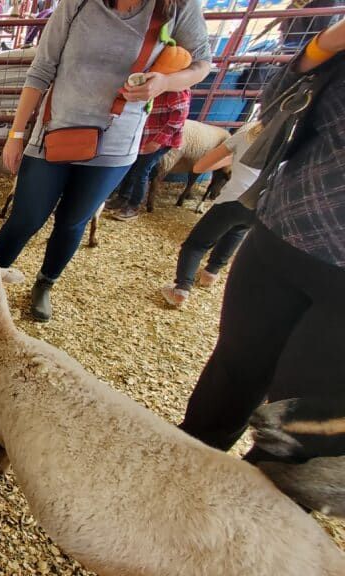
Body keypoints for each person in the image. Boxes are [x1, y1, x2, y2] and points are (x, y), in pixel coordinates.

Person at [179, 20, 345, 451]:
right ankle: (186, 470)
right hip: (282, 230)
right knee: (232, 370)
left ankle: (266, 504)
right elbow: (273, 112)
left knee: (306, 416)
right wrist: (323, 45)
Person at [0, 0, 211, 322]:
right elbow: (42, 68)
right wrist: (16, 134)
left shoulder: (177, 6)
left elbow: (202, 64)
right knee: (26, 216)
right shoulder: (77, 4)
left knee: (73, 221)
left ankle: (45, 283)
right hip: (55, 132)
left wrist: (164, 83)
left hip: (115, 144)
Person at [157, 121, 263, 308]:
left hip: (232, 199)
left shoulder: (249, 132)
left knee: (196, 244)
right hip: (261, 205)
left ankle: (181, 289)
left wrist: (234, 157)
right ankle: (210, 275)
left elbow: (200, 167)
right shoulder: (295, 141)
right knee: (238, 231)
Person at [104, 88, 190, 221]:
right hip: (145, 134)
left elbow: (178, 118)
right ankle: (122, 198)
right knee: (131, 167)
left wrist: (158, 141)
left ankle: (133, 206)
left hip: (157, 139)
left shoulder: (177, 88)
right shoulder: (157, 84)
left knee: (141, 171)